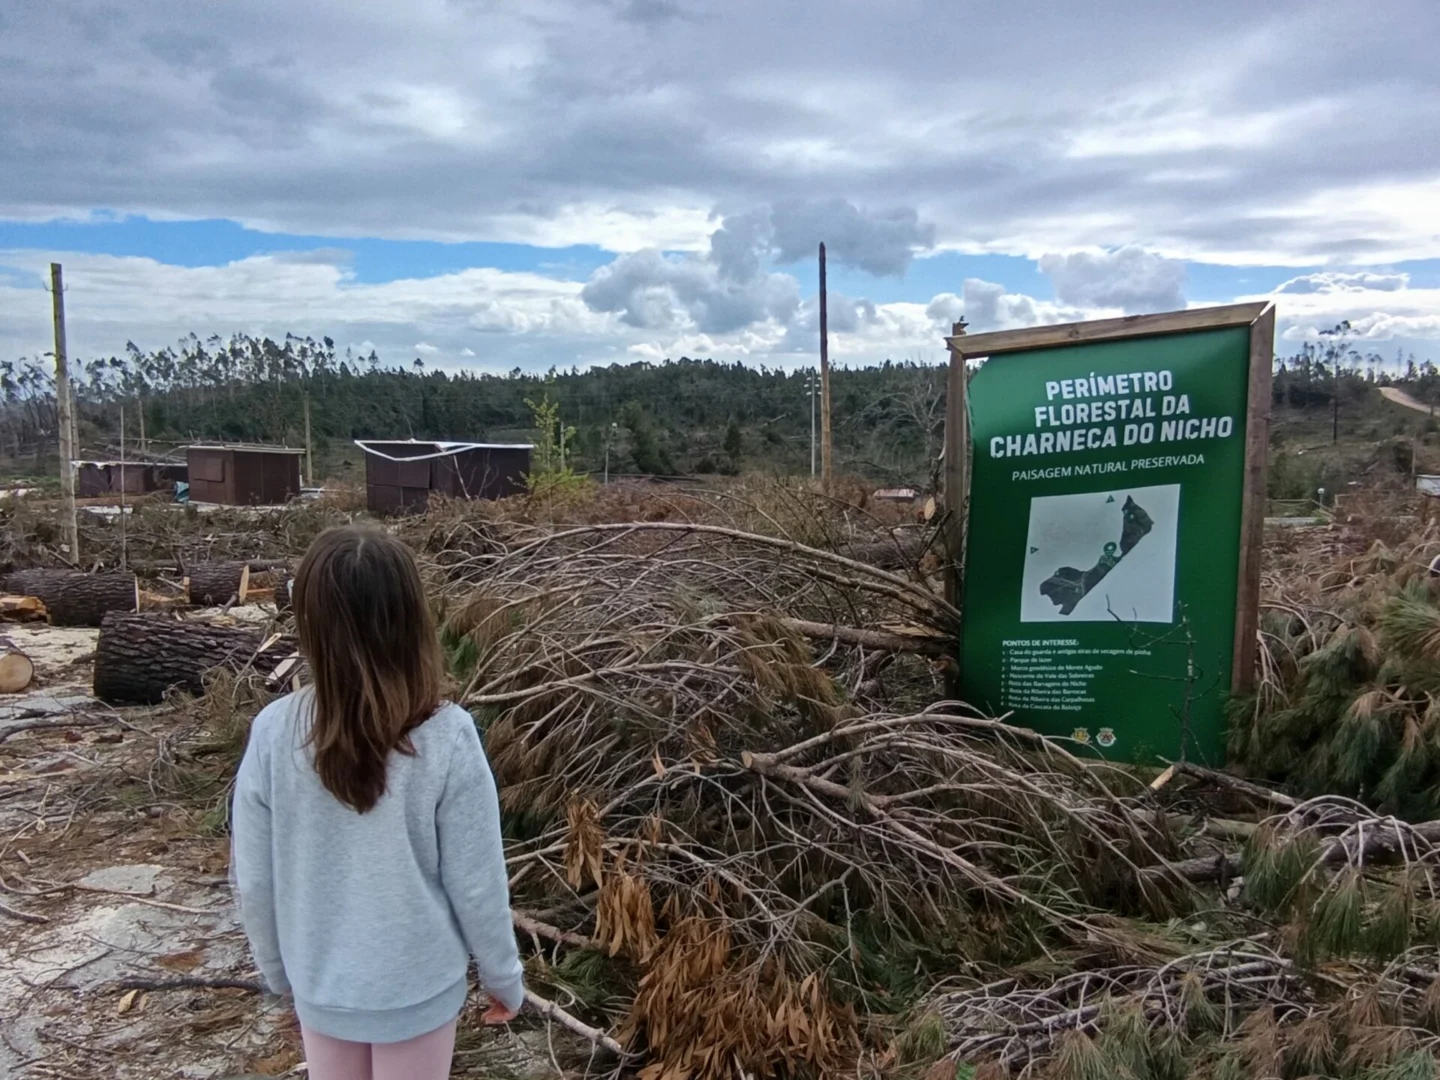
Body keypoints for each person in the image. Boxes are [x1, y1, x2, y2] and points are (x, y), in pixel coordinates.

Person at [231, 525, 523, 1080]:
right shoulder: (448, 734)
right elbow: (477, 882)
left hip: (320, 983)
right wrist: (502, 976)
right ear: (411, 619)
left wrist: (278, 974)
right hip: (418, 986)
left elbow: (255, 878)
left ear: (310, 622)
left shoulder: (272, 732)